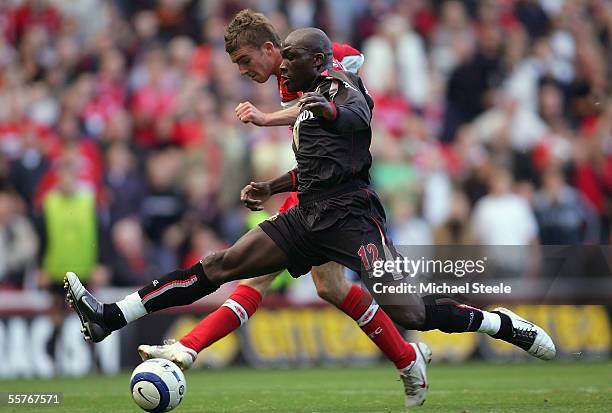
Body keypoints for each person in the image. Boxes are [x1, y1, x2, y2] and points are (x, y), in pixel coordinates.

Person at [66, 27, 556, 408]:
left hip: (352, 220)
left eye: (289, 61)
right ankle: (111, 315)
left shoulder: (341, 92)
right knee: (220, 265)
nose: (281, 74)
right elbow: (313, 169)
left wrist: (313, 109)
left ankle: (498, 323)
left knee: (410, 310)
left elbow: (351, 116)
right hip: (307, 216)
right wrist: (270, 186)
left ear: (314, 61)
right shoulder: (302, 102)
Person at [138, 10, 421, 407]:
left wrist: (269, 117)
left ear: (272, 49)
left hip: (330, 192)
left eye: (245, 61)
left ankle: (186, 348)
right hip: (313, 185)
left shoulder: (304, 65)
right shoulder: (292, 75)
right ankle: (409, 360)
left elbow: (340, 71)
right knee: (329, 286)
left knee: (257, 279)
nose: (243, 72)